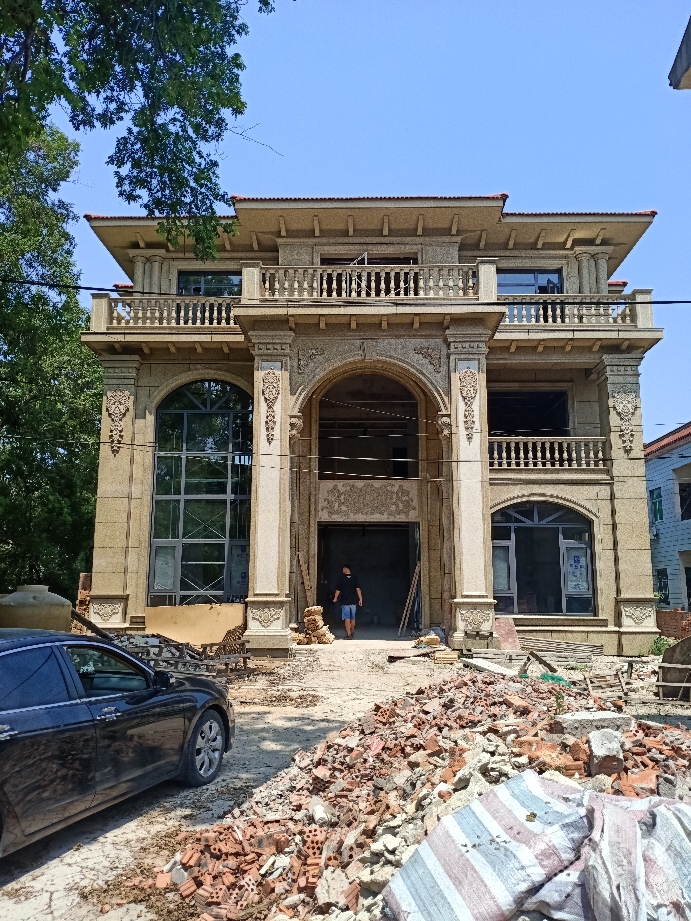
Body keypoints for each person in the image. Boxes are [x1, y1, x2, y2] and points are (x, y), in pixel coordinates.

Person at [333, 565, 362, 638]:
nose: (342, 570)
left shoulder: (342, 578)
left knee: (347, 618)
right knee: (353, 618)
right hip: (353, 602)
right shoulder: (355, 578)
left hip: (345, 601)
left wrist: (335, 598)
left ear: (346, 569)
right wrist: (360, 599)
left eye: (343, 569)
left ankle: (348, 634)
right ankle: (352, 632)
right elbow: (358, 589)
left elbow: (338, 590)